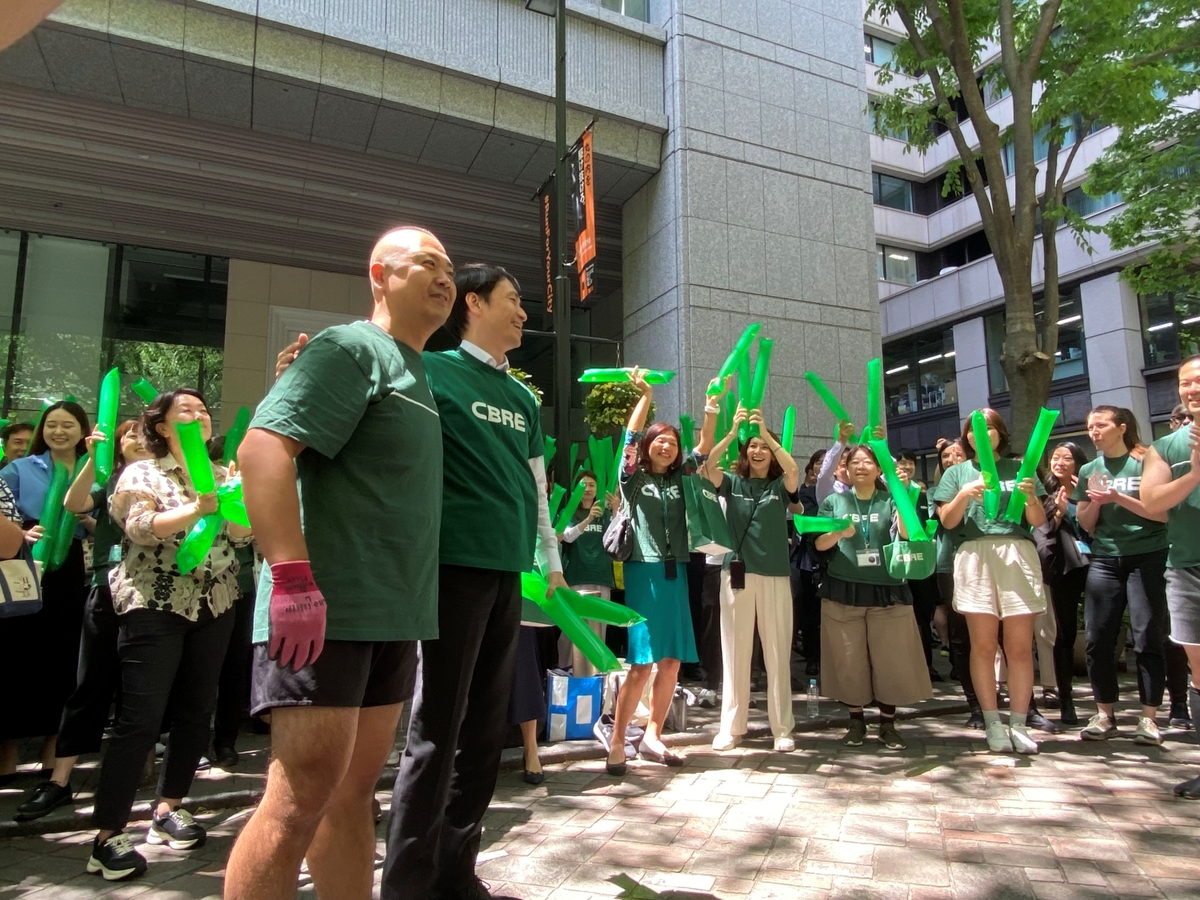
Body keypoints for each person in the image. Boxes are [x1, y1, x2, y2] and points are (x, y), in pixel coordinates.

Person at [224, 227, 453, 900]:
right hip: (323, 613)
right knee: (298, 800)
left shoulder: (418, 373)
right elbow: (262, 452)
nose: (444, 277)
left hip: (392, 614)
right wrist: (292, 577)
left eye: (449, 267)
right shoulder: (350, 347)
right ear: (379, 274)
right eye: (426, 263)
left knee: (352, 797)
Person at [381, 263, 568, 900]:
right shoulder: (429, 372)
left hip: (507, 573)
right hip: (450, 569)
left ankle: (456, 873)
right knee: (438, 728)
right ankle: (406, 884)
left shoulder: (522, 398)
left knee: (487, 729)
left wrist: (554, 564)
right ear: (475, 303)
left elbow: (537, 490)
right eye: (513, 301)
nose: (524, 314)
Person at [86, 390, 252, 881]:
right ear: (160, 426)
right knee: (140, 716)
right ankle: (106, 836)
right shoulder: (141, 472)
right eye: (187, 410)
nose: (199, 416)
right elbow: (140, 529)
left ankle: (168, 808)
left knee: (198, 709)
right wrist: (199, 509)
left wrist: (237, 501)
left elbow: (242, 538)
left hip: (216, 601)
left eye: (203, 411)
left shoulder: (224, 475)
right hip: (154, 601)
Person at [15, 420, 150, 821]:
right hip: (108, 588)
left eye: (144, 434)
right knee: (89, 685)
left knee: (142, 691)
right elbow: (74, 505)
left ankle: (145, 782)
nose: (136, 440)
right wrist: (93, 460)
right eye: (129, 434)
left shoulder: (172, 482)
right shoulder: (109, 481)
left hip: (156, 596)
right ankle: (59, 781)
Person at [603, 369, 719, 777]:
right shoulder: (632, 479)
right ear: (649, 448)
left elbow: (704, 447)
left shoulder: (683, 478)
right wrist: (646, 397)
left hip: (677, 573)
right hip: (643, 572)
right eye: (660, 441)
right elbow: (628, 441)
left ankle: (653, 734)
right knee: (641, 662)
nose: (667, 446)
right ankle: (618, 739)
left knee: (670, 663)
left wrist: (710, 407)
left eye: (671, 441)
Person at [932, 408, 1047, 755]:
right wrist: (965, 493)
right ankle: (992, 722)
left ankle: (1020, 723)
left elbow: (1038, 520)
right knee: (982, 646)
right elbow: (948, 522)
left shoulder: (1019, 468)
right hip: (975, 555)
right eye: (971, 430)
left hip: (1017, 554)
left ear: (1001, 433)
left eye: (988, 428)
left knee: (1019, 647)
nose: (977, 435)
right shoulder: (956, 473)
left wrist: (1030, 496)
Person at [813, 444, 931, 749]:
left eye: (868, 462)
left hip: (888, 590)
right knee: (849, 660)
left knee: (890, 660)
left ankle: (888, 724)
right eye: (854, 462)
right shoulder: (833, 502)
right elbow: (819, 545)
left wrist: (902, 496)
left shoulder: (890, 500)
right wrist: (838, 533)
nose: (861, 466)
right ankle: (856, 722)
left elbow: (905, 534)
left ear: (880, 470)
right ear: (846, 470)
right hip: (842, 589)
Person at [0, 401, 93, 782]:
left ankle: (53, 752)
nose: (59, 432)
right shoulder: (20, 469)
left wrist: (88, 520)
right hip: (24, 567)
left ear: (82, 430)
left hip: (72, 572)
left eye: (67, 425)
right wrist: (21, 533)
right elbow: (5, 513)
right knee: (15, 659)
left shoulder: (95, 470)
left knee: (65, 659)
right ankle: (6, 755)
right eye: (52, 425)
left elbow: (103, 520)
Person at [703, 407, 800, 753]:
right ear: (744, 454)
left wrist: (767, 434)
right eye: (752, 447)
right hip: (736, 572)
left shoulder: (780, 484)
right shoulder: (733, 483)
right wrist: (732, 434)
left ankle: (782, 728)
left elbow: (792, 470)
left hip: (775, 574)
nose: (757, 451)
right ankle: (731, 727)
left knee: (776, 652)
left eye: (763, 446)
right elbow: (709, 467)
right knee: (735, 651)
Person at [1073, 407, 1171, 745]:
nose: (1094, 431)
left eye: (1101, 425)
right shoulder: (1089, 468)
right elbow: (1085, 522)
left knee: (1147, 637)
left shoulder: (1146, 460)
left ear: (1122, 428)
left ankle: (1149, 718)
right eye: (1090, 427)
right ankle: (1104, 715)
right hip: (1104, 558)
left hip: (1148, 556)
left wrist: (1117, 496)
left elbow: (1160, 513)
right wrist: (1099, 502)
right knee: (1098, 638)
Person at [1142, 356, 1200, 797]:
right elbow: (1154, 504)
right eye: (1185, 382)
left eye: (1198, 381)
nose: (1191, 389)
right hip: (1187, 567)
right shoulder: (1167, 447)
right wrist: (1195, 471)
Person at [1034, 441, 1090, 727]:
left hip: (1097, 562)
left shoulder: (1090, 487)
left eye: (1067, 457)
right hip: (1064, 567)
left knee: (1097, 633)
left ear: (1078, 462)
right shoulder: (1045, 492)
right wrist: (1058, 509)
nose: (1059, 462)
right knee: (1064, 634)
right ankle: (1066, 700)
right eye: (1056, 457)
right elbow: (1043, 530)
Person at [932, 439, 981, 726]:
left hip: (986, 562)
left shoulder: (984, 479)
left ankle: (1025, 704)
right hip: (950, 565)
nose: (952, 458)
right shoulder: (938, 492)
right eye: (946, 455)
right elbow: (944, 520)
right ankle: (975, 703)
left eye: (958, 453)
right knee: (962, 637)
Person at [556, 470, 618, 670]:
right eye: (583, 485)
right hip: (574, 576)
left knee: (598, 627)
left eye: (592, 485)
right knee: (571, 628)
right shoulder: (568, 513)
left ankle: (596, 672)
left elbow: (618, 536)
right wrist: (588, 519)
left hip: (601, 576)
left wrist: (616, 510)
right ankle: (566, 669)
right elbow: (566, 537)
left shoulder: (606, 514)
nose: (588, 489)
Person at [896, 450, 943, 683]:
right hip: (897, 562)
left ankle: (927, 666)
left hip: (922, 563)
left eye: (911, 463)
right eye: (902, 463)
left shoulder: (923, 494)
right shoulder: (888, 492)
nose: (906, 467)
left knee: (923, 617)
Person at [791, 450, 824, 678]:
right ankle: (812, 658)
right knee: (809, 611)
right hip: (807, 559)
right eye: (820, 463)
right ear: (811, 467)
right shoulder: (806, 493)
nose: (824, 466)